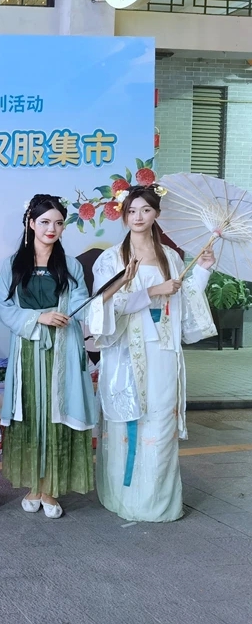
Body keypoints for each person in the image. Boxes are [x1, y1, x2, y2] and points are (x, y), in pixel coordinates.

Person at [89, 184, 216, 522]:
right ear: (123, 215)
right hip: (125, 353)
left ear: (157, 214)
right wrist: (153, 290)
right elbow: (103, 306)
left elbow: (184, 299)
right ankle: (125, 498)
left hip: (162, 351)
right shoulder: (111, 259)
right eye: (132, 211)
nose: (138, 217)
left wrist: (202, 269)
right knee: (128, 422)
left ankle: (157, 502)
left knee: (160, 421)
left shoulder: (170, 257)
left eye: (146, 210)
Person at [0, 194, 97, 519]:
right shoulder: (13, 264)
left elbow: (80, 300)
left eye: (58, 223)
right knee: (31, 414)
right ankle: (34, 485)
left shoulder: (70, 266)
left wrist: (76, 309)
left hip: (62, 349)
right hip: (27, 351)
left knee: (56, 415)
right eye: (44, 222)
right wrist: (39, 317)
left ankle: (50, 488)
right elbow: (4, 307)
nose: (51, 228)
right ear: (31, 223)